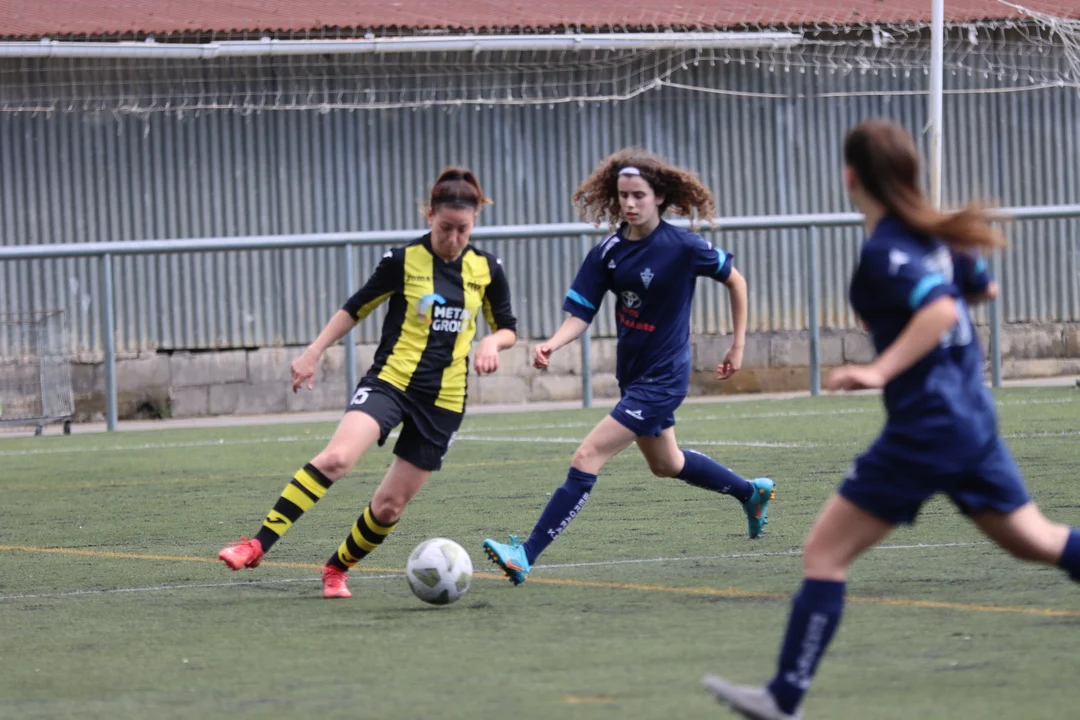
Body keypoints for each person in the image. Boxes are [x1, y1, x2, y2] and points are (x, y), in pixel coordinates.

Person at [702, 118, 1080, 720]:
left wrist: (881, 367)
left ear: (849, 176)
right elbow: (982, 289)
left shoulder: (884, 252)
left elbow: (939, 310)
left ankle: (783, 698)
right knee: (1035, 540)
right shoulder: (934, 236)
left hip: (926, 429)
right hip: (970, 421)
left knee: (824, 553)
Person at [217, 168, 518, 599]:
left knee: (390, 506)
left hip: (445, 401)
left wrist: (492, 341)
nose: (454, 239)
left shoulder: (487, 268)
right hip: (391, 383)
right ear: (429, 216)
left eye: (463, 230)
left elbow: (507, 327)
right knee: (337, 458)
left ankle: (336, 569)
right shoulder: (402, 260)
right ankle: (256, 544)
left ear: (475, 224)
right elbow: (355, 308)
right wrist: (313, 352)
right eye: (445, 228)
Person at [482, 148, 776, 586]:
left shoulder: (684, 247)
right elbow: (582, 313)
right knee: (667, 463)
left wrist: (738, 345)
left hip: (664, 379)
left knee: (588, 455)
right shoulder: (609, 252)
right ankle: (750, 493)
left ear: (659, 197)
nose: (630, 204)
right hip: (634, 376)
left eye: (639, 195)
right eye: (623, 195)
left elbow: (736, 280)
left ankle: (525, 554)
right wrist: (553, 344)